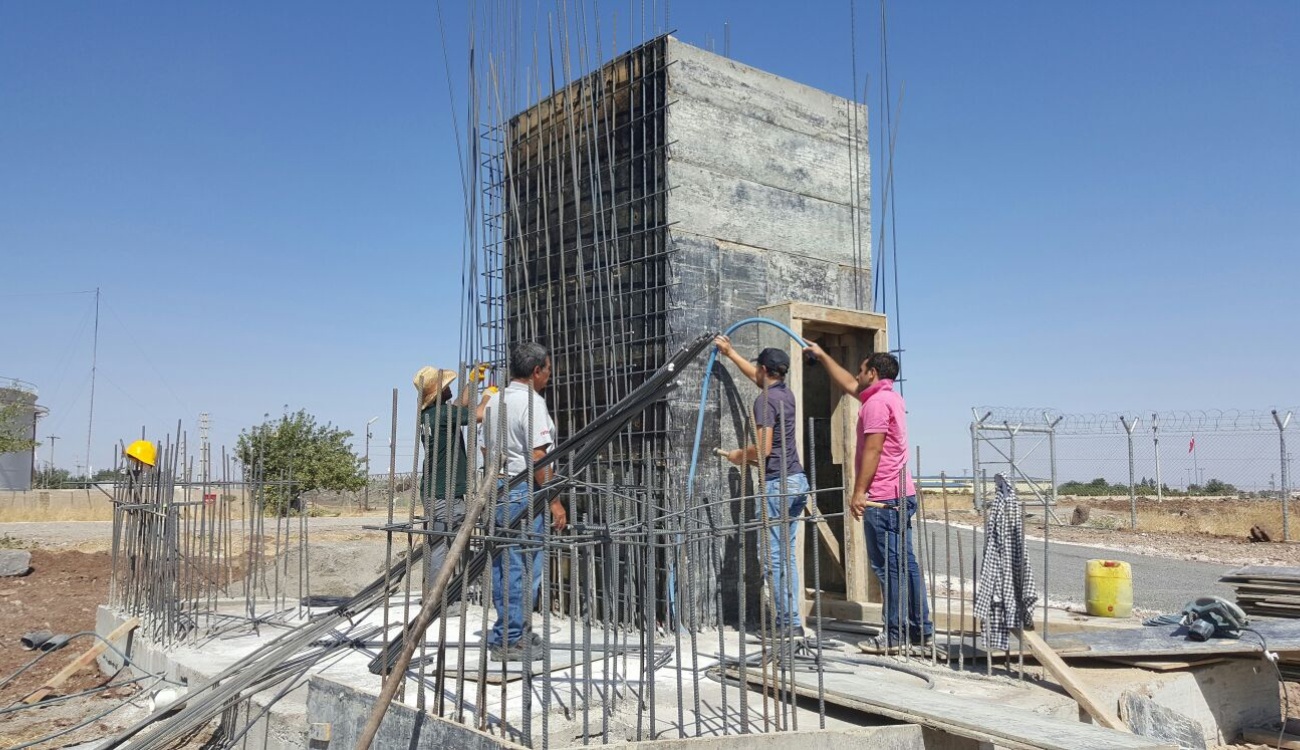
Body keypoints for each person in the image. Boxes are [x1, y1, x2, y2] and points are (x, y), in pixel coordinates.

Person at [802, 343, 932, 653]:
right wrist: (822, 355)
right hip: (900, 494)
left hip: (883, 498)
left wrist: (859, 492)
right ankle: (919, 631)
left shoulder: (875, 404)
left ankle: (894, 635)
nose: (857, 375)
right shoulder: (889, 397)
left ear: (872, 373)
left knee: (889, 568)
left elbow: (873, 449)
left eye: (861, 371)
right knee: (906, 565)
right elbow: (849, 384)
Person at [714, 335, 809, 639]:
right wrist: (731, 353)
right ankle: (792, 619)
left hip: (778, 486)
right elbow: (758, 381)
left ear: (764, 369)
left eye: (758, 368)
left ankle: (787, 624)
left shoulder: (764, 401)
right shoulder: (785, 395)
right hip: (797, 481)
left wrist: (738, 456)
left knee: (774, 557)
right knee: (786, 555)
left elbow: (764, 449)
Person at [480, 342, 567, 662]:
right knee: (524, 567)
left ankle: (511, 630)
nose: (549, 376)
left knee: (506, 566)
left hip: (499, 488)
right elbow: (538, 456)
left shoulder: (494, 401)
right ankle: (511, 639)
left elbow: (486, 449)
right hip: (523, 491)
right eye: (548, 370)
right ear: (536, 371)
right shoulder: (532, 402)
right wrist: (554, 500)